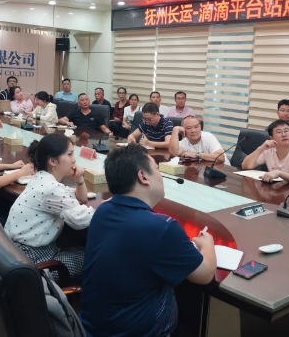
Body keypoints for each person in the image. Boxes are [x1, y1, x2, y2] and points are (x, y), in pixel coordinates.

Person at [80, 144, 217, 337]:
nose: (161, 176)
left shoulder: (102, 211)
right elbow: (205, 275)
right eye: (157, 169)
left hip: (92, 328)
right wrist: (208, 244)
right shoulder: (162, 227)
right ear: (143, 177)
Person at [5, 134, 93, 280]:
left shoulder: (41, 179)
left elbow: (81, 198)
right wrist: (108, 205)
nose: (74, 160)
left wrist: (79, 179)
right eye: (70, 154)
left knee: (80, 247)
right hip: (35, 262)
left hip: (16, 255)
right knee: (93, 255)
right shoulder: (50, 189)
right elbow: (81, 220)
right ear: (52, 161)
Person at [241, 120, 289, 185]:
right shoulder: (268, 150)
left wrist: (279, 173)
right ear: (271, 138)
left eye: (286, 131)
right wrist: (261, 148)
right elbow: (246, 166)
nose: (284, 135)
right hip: (279, 188)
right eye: (279, 132)